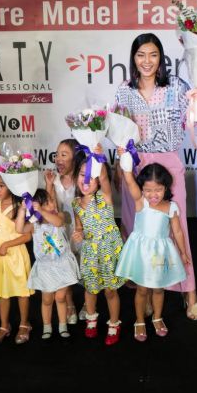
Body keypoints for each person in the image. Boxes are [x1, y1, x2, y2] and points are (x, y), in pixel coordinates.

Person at [114, 33, 197, 320]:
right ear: (133, 58)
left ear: (161, 58)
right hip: (136, 167)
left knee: (176, 226)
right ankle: (144, 291)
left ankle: (189, 292)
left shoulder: (177, 87)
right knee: (139, 230)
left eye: (153, 54)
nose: (147, 61)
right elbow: (118, 130)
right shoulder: (124, 91)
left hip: (169, 164)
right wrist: (120, 162)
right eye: (141, 55)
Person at [115, 158, 190, 341]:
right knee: (141, 289)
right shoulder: (141, 202)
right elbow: (130, 180)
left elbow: (177, 232)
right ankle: (140, 320)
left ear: (166, 188)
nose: (153, 195)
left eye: (158, 190)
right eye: (148, 190)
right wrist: (125, 160)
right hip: (141, 253)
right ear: (142, 189)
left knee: (158, 288)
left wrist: (182, 252)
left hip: (161, 254)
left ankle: (157, 317)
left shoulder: (171, 207)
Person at [72, 148, 126, 345]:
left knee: (110, 290)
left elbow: (103, 176)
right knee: (91, 289)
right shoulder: (75, 203)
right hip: (90, 252)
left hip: (109, 250)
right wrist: (79, 233)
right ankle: (91, 319)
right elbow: (80, 226)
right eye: (82, 174)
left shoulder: (105, 196)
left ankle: (114, 323)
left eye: (91, 176)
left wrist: (97, 156)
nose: (86, 180)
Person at [18, 189, 81, 340]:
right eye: (46, 203)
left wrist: (42, 210)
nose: (52, 204)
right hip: (45, 267)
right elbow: (19, 229)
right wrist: (22, 210)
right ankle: (47, 327)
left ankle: (62, 325)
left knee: (60, 297)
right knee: (47, 299)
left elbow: (58, 222)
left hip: (62, 264)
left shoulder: (59, 216)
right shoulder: (34, 223)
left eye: (51, 200)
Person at [0, 170, 33, 346]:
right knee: (2, 293)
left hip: (16, 255)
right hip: (0, 256)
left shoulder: (19, 207)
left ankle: (24, 324)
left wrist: (7, 244)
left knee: (22, 292)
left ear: (12, 186)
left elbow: (28, 236)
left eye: (1, 186)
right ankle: (4, 326)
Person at [45, 138, 83, 324]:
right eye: (57, 154)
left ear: (75, 159)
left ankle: (88, 304)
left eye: (64, 155)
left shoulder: (83, 180)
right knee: (65, 268)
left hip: (83, 232)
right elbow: (51, 208)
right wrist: (49, 186)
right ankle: (69, 304)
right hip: (63, 232)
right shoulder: (55, 181)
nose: (58, 159)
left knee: (86, 267)